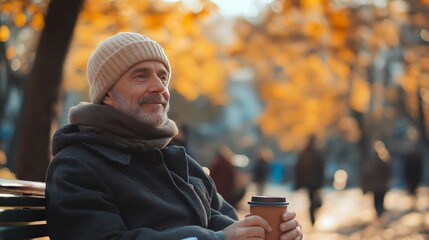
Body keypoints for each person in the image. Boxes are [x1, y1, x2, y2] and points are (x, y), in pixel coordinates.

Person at [45, 32, 303, 240]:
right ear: (108, 95)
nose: (159, 87)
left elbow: (220, 219)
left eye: (163, 76)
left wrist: (265, 231)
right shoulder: (77, 166)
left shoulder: (179, 161)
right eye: (140, 76)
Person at [294, 134, 324, 226]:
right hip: (314, 182)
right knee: (313, 200)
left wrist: (299, 182)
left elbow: (298, 169)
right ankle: (312, 219)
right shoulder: (316, 153)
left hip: (308, 182)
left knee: (311, 200)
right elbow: (321, 168)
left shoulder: (304, 153)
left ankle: (312, 218)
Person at [361, 144, 391, 218]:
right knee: (380, 202)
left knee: (377, 202)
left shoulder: (370, 164)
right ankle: (380, 214)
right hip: (382, 187)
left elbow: (366, 175)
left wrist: (365, 187)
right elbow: (388, 173)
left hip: (375, 188)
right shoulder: (383, 163)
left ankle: (379, 214)